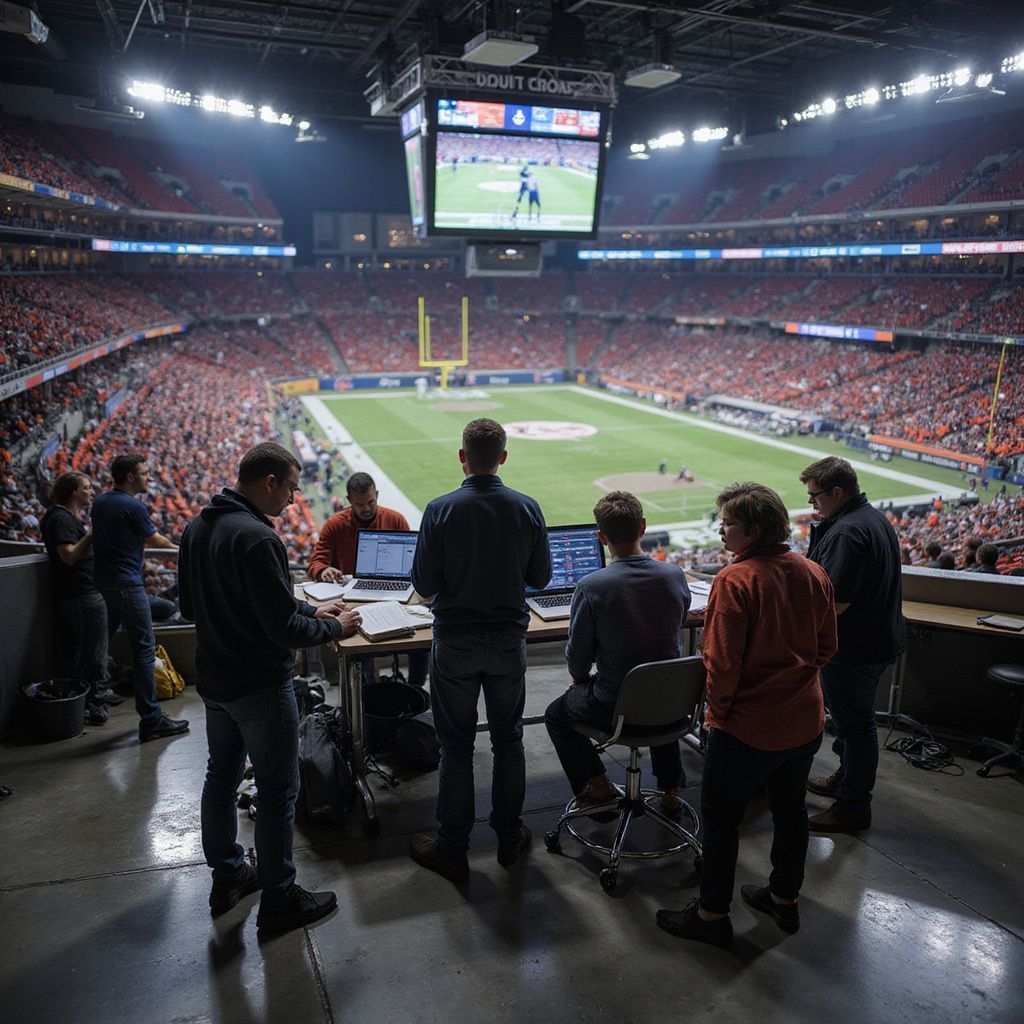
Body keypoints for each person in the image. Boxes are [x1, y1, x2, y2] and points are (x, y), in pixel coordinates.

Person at [178, 442, 362, 934]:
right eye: (291, 487)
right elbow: (280, 627)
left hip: (215, 680)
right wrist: (334, 629)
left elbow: (196, 609)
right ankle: (280, 897)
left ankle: (229, 875)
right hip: (258, 683)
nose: (294, 498)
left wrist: (311, 611)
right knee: (279, 790)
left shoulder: (198, 526)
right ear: (269, 483)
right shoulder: (259, 538)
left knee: (221, 778)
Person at [656, 483, 836, 949]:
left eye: (728, 522)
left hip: (748, 727)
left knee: (720, 820)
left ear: (753, 530)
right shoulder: (813, 571)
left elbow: (722, 663)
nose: (721, 529)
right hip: (804, 720)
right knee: (791, 811)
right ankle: (783, 896)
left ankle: (712, 913)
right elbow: (826, 647)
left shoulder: (736, 580)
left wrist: (720, 714)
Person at [408, 418, 550, 881]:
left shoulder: (440, 509)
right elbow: (542, 579)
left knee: (456, 748)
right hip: (508, 640)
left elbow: (424, 584)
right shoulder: (527, 507)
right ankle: (509, 839)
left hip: (456, 641)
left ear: (462, 456)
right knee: (509, 741)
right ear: (504, 458)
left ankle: (453, 849)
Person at [544, 491, 691, 819]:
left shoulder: (592, 586)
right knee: (658, 685)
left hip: (615, 706)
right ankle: (670, 792)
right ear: (643, 526)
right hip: (673, 702)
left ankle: (598, 785)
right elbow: (678, 622)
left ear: (601, 536)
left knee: (556, 714)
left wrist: (580, 682)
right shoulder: (675, 576)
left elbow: (578, 657)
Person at [800, 457, 905, 833]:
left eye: (815, 497)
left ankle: (853, 805)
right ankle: (846, 780)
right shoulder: (872, 518)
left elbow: (836, 602)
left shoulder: (847, 532)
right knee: (850, 724)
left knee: (857, 727)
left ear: (837, 492)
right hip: (875, 640)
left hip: (853, 648)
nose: (813, 504)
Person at [91, 454, 188, 743]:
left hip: (105, 583)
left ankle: (92, 697)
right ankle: (151, 719)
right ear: (130, 477)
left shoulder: (101, 501)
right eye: (144, 473)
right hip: (127, 585)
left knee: (102, 643)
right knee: (145, 649)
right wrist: (185, 550)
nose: (149, 477)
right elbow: (155, 540)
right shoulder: (132, 505)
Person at [307, 471, 427, 688]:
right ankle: (369, 696)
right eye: (360, 504)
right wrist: (323, 570)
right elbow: (316, 562)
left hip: (397, 600)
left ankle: (414, 691)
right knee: (362, 650)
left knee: (421, 647)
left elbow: (411, 562)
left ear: (377, 495)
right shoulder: (335, 525)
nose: (366, 508)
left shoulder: (395, 519)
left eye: (371, 501)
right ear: (349, 501)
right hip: (356, 603)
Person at [40, 471, 123, 726]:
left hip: (82, 594)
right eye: (86, 488)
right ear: (74, 491)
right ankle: (86, 705)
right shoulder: (60, 519)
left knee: (88, 651)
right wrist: (94, 532)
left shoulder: (63, 518)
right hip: (79, 596)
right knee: (86, 653)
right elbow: (68, 556)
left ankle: (89, 699)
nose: (91, 492)